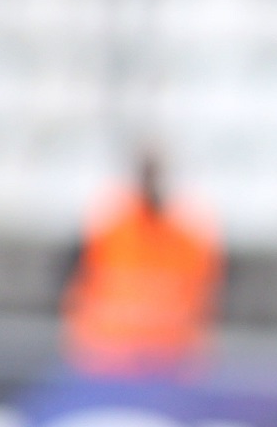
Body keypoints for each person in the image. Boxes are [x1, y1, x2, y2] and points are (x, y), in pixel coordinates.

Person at [60, 149, 224, 382]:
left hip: (170, 358)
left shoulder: (188, 239)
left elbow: (205, 298)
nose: (151, 183)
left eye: (156, 174)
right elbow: (79, 286)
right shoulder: (111, 231)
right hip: (109, 356)